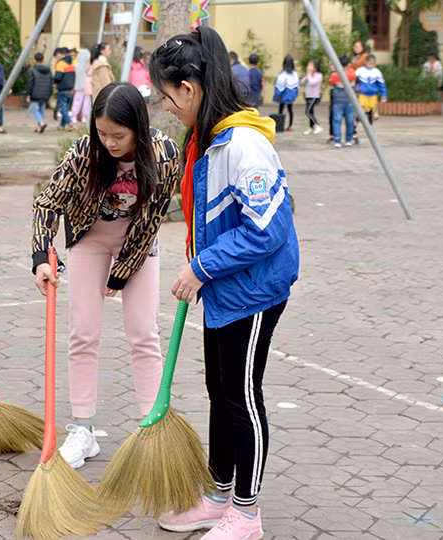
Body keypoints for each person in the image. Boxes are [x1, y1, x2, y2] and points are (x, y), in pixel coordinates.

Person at [149, 25, 298, 540]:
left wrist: (201, 266)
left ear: (189, 89)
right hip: (223, 289)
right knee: (220, 390)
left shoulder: (244, 146)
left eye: (166, 96)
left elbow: (269, 230)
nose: (165, 106)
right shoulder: (205, 139)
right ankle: (219, 495)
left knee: (242, 395)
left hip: (253, 290)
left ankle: (247, 512)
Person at [32, 82, 180, 470]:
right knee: (83, 333)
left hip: (137, 243)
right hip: (90, 241)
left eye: (118, 135)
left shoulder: (164, 154)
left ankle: (153, 429)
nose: (110, 143)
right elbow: (47, 202)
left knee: (144, 334)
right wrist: (39, 257)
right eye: (102, 133)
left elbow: (151, 221)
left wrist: (118, 278)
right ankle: (83, 430)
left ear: (139, 128)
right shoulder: (85, 152)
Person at [329, 54, 357, 147]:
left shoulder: (335, 75)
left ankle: (337, 140)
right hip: (350, 100)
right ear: (348, 64)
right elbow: (354, 77)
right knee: (350, 120)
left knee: (337, 120)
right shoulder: (352, 73)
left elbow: (331, 82)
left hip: (337, 100)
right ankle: (348, 140)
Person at [355, 54, 387, 126]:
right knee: (362, 109)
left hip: (373, 95)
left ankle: (370, 126)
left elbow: (382, 85)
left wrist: (383, 96)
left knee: (371, 110)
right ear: (365, 62)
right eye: (369, 63)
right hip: (362, 94)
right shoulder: (360, 71)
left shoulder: (377, 72)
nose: (371, 65)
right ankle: (356, 123)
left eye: (373, 64)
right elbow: (354, 81)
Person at [26, 52, 53, 133]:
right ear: (43, 59)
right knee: (41, 111)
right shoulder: (48, 70)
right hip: (45, 94)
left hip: (35, 94)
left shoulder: (32, 70)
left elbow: (30, 83)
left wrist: (28, 94)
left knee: (36, 110)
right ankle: (39, 127)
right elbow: (50, 83)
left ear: (34, 60)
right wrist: (50, 94)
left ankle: (41, 123)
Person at [274, 56, 299, 131]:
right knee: (290, 110)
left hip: (282, 94)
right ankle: (290, 125)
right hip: (290, 94)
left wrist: (277, 96)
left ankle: (279, 125)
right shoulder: (294, 73)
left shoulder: (282, 73)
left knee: (281, 109)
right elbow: (296, 85)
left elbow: (279, 85)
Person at [53, 47, 76, 130]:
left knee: (63, 108)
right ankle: (62, 125)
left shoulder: (60, 64)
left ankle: (69, 123)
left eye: (56, 56)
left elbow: (58, 77)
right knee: (66, 108)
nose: (56, 58)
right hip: (70, 89)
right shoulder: (71, 63)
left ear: (59, 54)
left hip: (62, 89)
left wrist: (54, 82)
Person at [300, 60, 323, 135]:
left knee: (308, 112)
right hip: (308, 95)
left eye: (310, 65)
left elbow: (312, 83)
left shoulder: (319, 75)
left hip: (314, 96)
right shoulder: (309, 75)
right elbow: (302, 82)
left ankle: (317, 125)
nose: (308, 67)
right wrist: (307, 75)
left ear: (315, 68)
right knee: (311, 112)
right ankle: (311, 127)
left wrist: (309, 75)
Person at [71, 47, 92, 126]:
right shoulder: (89, 66)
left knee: (77, 102)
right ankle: (84, 117)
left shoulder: (75, 66)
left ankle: (74, 117)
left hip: (78, 86)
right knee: (86, 103)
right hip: (88, 87)